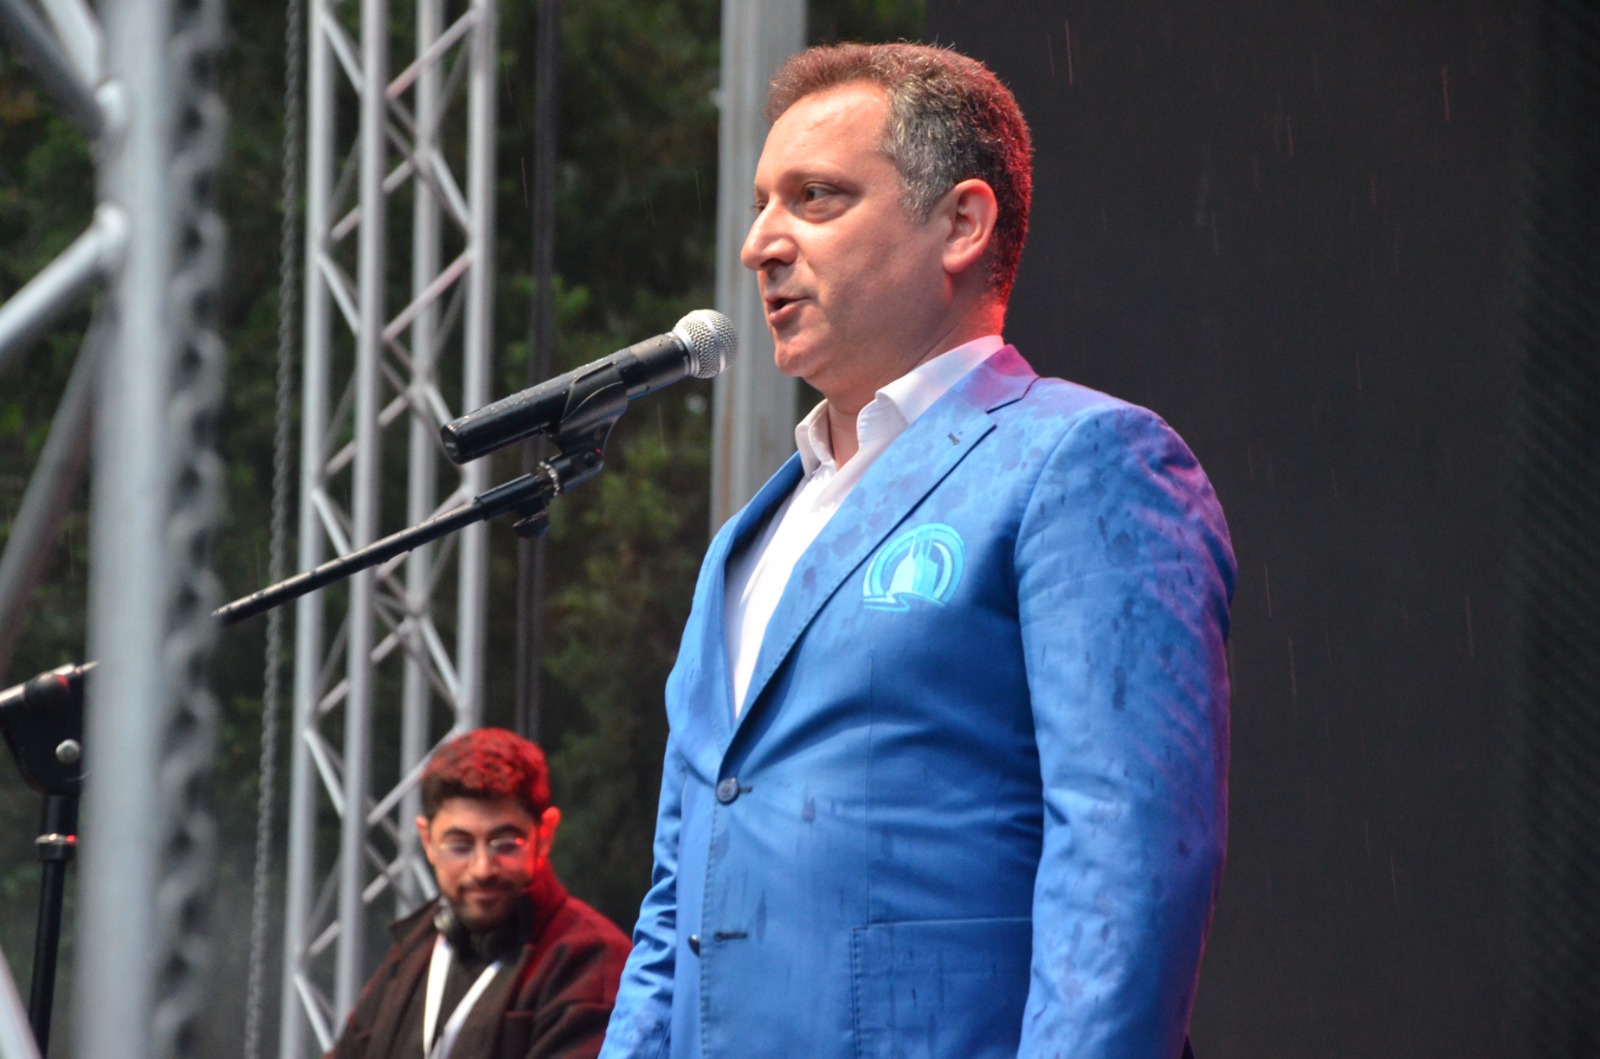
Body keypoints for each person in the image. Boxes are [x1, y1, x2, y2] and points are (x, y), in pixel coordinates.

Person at [601, 42, 1234, 1059]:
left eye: (815, 197)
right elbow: (678, 897)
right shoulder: (746, 538)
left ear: (962, 223)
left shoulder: (1082, 459)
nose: (759, 244)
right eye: (761, 205)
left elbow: (1127, 862)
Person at [326, 728, 631, 1059]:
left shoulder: (591, 961)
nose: (482, 869)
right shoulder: (416, 947)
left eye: (505, 844)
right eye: (460, 846)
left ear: (544, 835)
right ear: (427, 841)